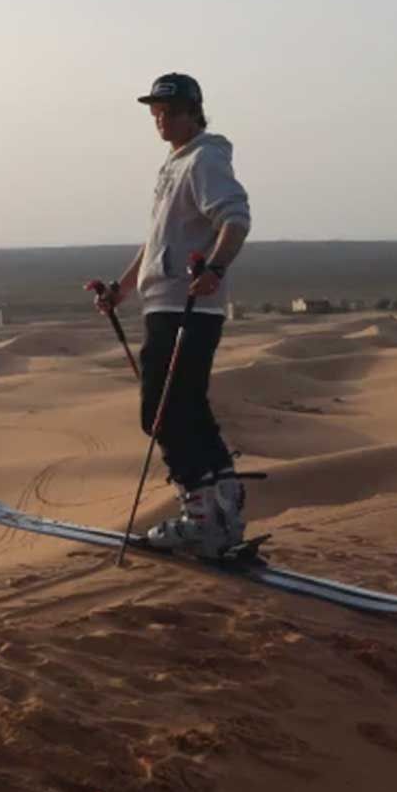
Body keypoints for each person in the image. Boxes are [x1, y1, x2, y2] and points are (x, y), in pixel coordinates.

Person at [94, 72, 252, 558]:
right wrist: (121, 289)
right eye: (155, 113)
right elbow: (159, 240)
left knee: (160, 415)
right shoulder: (176, 163)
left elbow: (236, 218)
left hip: (186, 306)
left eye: (168, 111)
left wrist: (217, 268)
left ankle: (200, 519)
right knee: (187, 410)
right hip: (164, 302)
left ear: (192, 111)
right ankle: (223, 511)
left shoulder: (204, 158)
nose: (159, 120)